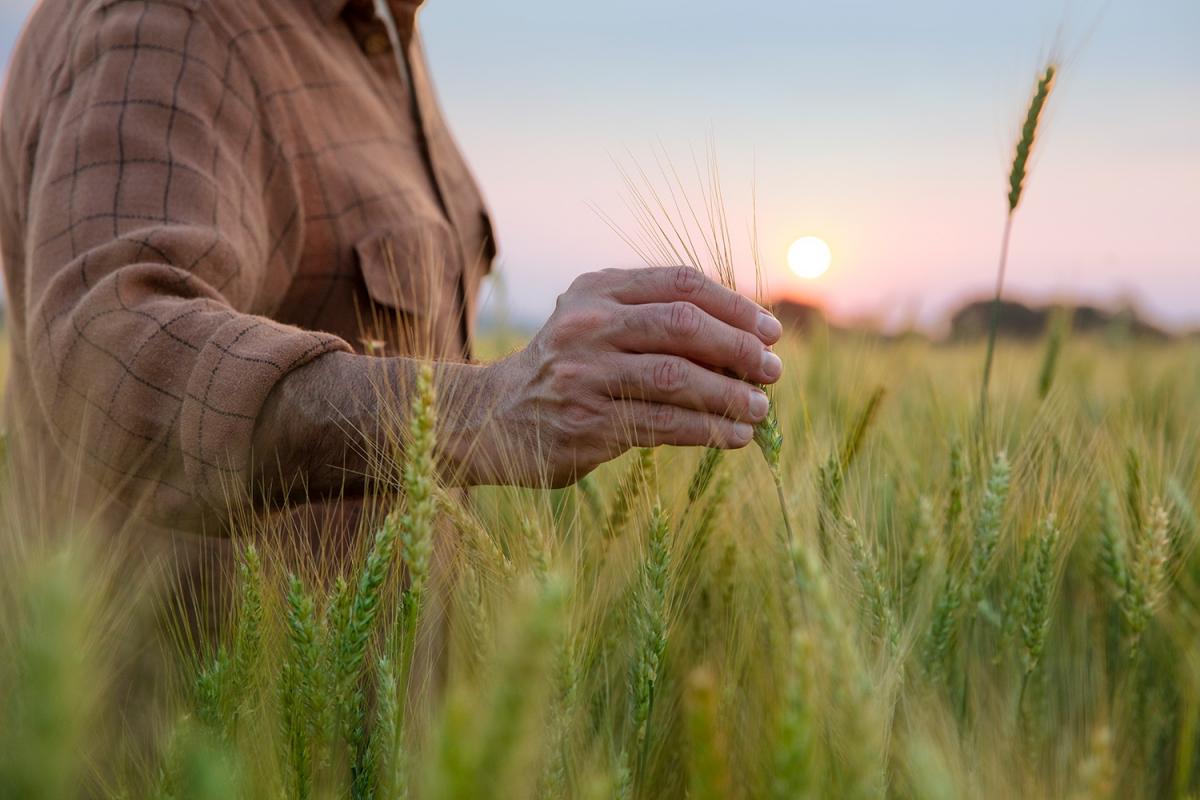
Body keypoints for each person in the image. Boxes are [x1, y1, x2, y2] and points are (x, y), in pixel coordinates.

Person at [0, 0, 782, 564]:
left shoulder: (385, 33)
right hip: (203, 753)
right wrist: (485, 408)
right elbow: (108, 357)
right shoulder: (170, 23)